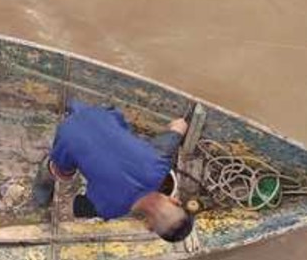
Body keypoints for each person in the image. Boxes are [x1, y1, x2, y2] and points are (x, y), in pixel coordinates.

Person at [32, 101, 196, 243]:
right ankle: (46, 176)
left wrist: (178, 128)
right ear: (149, 225)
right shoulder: (110, 208)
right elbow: (76, 206)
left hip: (102, 114)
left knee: (125, 133)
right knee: (64, 174)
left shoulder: (161, 162)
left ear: (175, 201)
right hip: (69, 134)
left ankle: (77, 108)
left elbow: (178, 126)